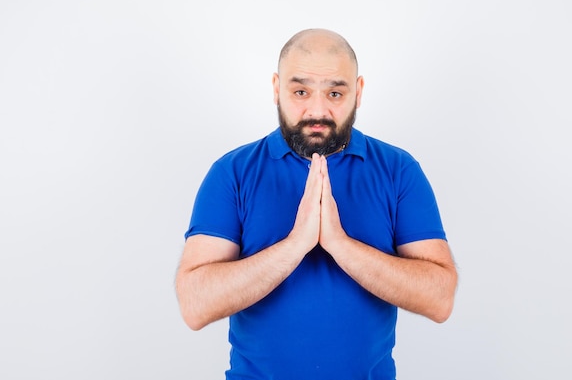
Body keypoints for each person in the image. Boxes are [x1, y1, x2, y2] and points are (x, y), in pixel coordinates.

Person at [176, 28, 457, 380]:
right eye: (300, 91)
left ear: (359, 91)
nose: (318, 110)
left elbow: (440, 299)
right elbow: (195, 305)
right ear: (276, 88)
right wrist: (295, 245)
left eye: (336, 93)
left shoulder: (399, 170)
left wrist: (340, 244)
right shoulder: (231, 172)